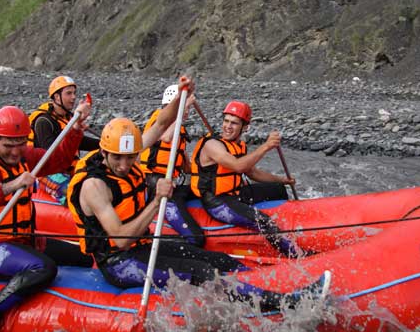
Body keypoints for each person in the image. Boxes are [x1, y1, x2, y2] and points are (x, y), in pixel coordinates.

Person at [67, 77, 329, 312]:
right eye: (118, 159)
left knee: (219, 259)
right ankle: (288, 305)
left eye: (130, 157)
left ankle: (261, 289)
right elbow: (121, 240)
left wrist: (181, 97)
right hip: (119, 262)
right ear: (104, 153)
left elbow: (160, 124)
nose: (125, 165)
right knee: (203, 272)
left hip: (143, 248)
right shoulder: (94, 186)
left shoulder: (128, 155)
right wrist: (158, 200)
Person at [0, 104, 93, 332]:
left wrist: (75, 133)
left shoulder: (25, 156)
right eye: (8, 145)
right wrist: (10, 185)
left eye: (20, 143)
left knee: (82, 257)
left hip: (23, 242)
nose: (15, 152)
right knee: (43, 267)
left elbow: (59, 160)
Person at [190, 100, 300, 257]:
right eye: (226, 121)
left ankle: (293, 221)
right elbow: (238, 166)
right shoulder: (212, 145)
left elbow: (252, 173)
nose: (228, 126)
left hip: (235, 193)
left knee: (278, 189)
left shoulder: (239, 145)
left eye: (234, 123)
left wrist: (281, 180)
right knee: (263, 221)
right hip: (217, 202)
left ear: (245, 127)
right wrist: (266, 146)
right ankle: (293, 255)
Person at [139, 84, 204, 246]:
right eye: (184, 109)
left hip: (171, 184)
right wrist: (184, 107)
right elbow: (166, 137)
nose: (188, 113)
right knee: (196, 238)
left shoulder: (179, 130)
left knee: (203, 188)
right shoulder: (159, 119)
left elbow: (186, 167)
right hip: (155, 184)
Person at [28, 76, 100, 203]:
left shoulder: (68, 117)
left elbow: (80, 141)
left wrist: (102, 144)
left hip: (66, 167)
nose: (73, 97)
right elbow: (50, 156)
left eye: (74, 93)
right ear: (56, 97)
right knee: (75, 193)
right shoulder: (43, 121)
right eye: (68, 93)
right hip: (45, 171)